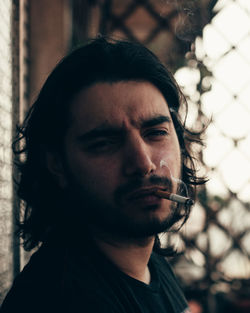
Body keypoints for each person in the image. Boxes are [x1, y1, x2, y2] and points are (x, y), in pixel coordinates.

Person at [0, 36, 206, 313]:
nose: (143, 163)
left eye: (156, 133)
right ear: (57, 165)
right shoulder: (60, 298)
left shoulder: (149, 263)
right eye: (104, 143)